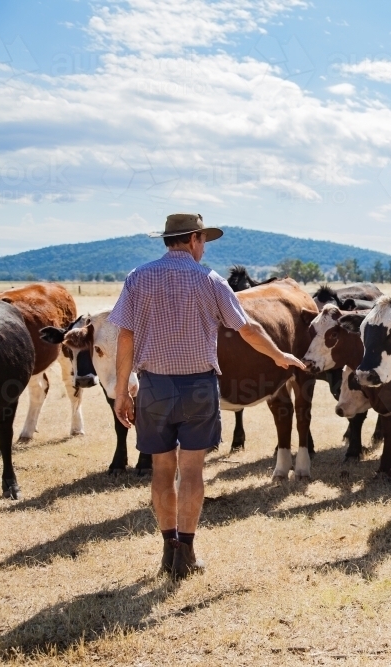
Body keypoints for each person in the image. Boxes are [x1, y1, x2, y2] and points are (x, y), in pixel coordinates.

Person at [109, 213, 305, 580]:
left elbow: (125, 337)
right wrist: (280, 356)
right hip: (198, 386)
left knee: (163, 470)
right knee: (193, 470)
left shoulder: (138, 277)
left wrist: (122, 391)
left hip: (153, 387)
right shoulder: (209, 279)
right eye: (203, 241)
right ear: (195, 239)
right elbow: (247, 328)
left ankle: (168, 551)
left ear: (169, 240)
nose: (204, 248)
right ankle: (187, 551)